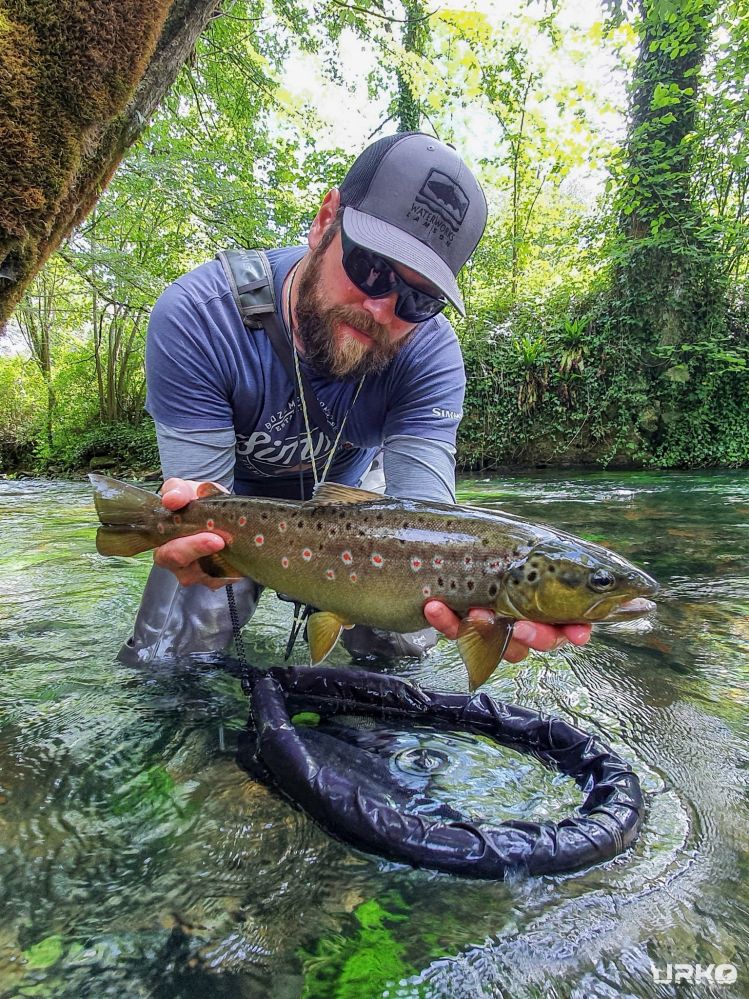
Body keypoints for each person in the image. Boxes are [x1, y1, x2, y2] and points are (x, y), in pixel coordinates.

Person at [119, 132, 591, 667]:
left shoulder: (431, 355)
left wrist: (490, 599)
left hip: (360, 516)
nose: (381, 307)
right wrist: (188, 529)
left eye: (418, 299)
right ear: (326, 221)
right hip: (240, 510)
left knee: (414, 631)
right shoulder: (200, 318)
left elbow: (431, 515)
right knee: (172, 655)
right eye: (371, 266)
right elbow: (202, 500)